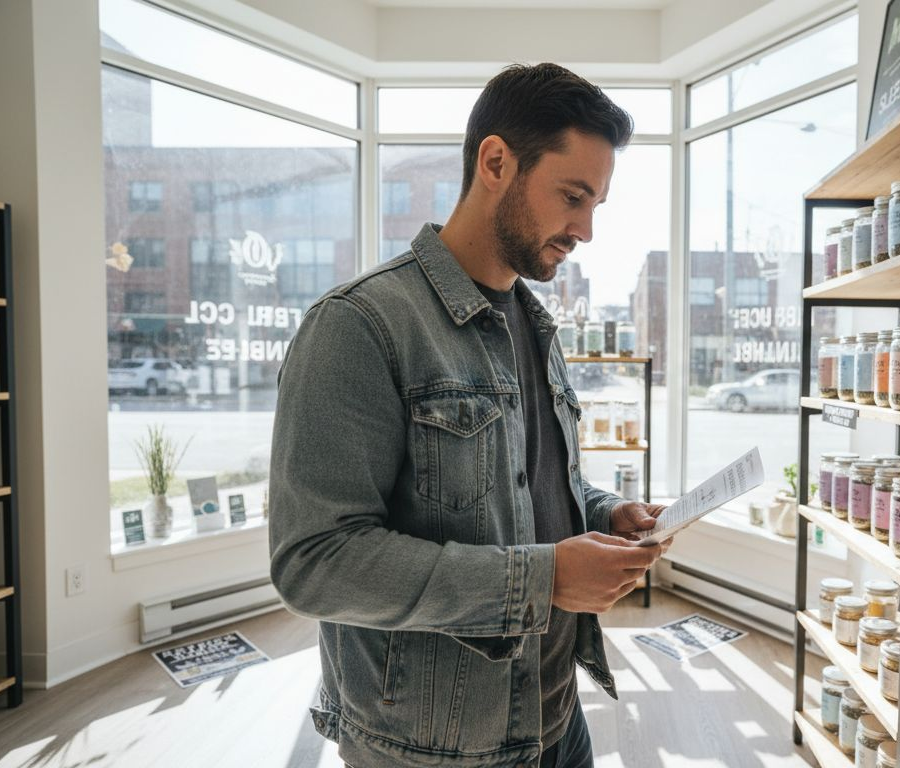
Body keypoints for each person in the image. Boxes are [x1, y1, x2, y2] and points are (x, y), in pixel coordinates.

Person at [269, 62, 669, 768]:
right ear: (495, 163)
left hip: (556, 714)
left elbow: (522, 485)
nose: (585, 229)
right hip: (433, 749)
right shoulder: (358, 325)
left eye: (596, 205)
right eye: (572, 197)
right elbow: (315, 563)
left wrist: (602, 513)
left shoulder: (535, 326)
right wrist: (543, 580)